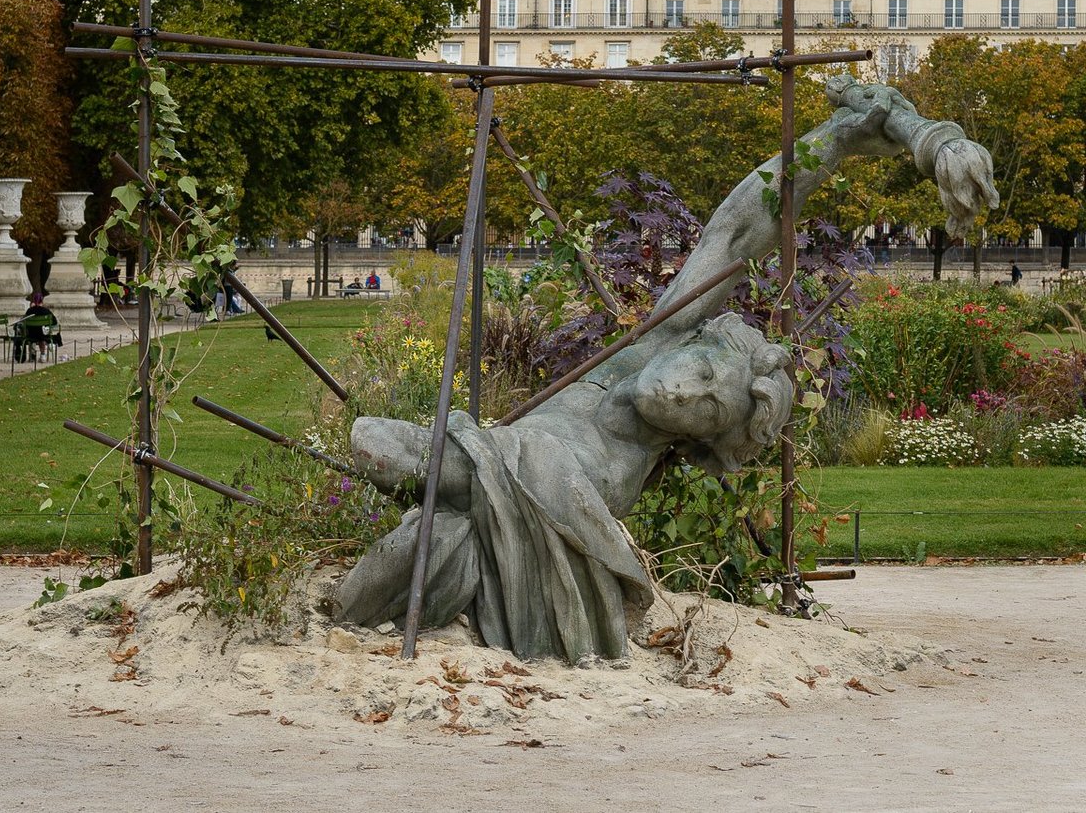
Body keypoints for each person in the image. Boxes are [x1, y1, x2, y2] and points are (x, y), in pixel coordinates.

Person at [339, 74, 1001, 662]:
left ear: (700, 441)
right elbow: (744, 226)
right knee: (402, 553)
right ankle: (423, 516)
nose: (689, 393)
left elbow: (559, 489)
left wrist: (489, 461)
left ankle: (448, 477)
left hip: (502, 477)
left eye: (710, 410)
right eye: (709, 372)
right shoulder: (660, 337)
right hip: (488, 486)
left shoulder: (622, 468)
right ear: (704, 337)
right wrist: (842, 137)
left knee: (419, 487)